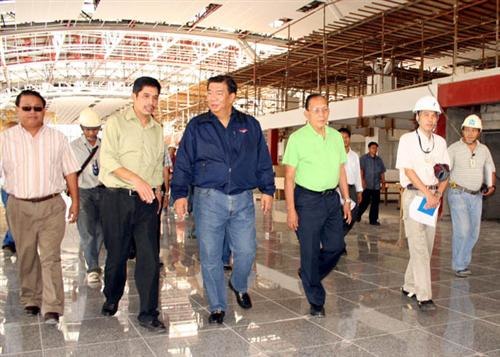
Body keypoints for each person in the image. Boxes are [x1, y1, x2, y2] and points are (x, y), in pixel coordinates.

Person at [171, 74, 275, 325]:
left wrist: (268, 190)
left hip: (241, 198)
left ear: (232, 96)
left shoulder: (249, 125)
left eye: (218, 93)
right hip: (209, 198)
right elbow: (184, 161)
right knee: (210, 255)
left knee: (247, 251)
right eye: (209, 92)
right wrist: (179, 194)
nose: (212, 97)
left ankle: (238, 284)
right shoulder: (198, 125)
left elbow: (262, 159)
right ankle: (217, 305)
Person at [0, 89, 80, 324]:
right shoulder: (6, 139)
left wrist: (75, 201)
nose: (32, 112)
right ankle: (31, 299)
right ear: (17, 111)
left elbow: (70, 171)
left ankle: (53, 307)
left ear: (44, 110)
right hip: (19, 205)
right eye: (27, 108)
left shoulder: (57, 138)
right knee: (26, 254)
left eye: (37, 108)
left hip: (51, 205)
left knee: (50, 257)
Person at [99, 76, 165, 332]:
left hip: (147, 202)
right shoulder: (116, 123)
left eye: (155, 97)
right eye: (146, 96)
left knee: (149, 256)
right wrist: (137, 180)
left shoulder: (157, 129)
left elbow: (157, 163)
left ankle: (148, 312)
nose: (151, 102)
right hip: (116, 198)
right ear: (134, 96)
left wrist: (158, 189)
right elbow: (109, 160)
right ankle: (112, 297)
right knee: (117, 254)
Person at [283, 94, 352, 317]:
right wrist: (291, 210)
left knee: (335, 246)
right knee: (310, 251)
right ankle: (316, 300)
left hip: (331, 199)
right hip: (307, 200)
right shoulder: (297, 138)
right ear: (306, 114)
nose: (322, 114)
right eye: (316, 110)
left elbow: (341, 170)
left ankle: (309, 275)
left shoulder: (335, 137)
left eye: (325, 109)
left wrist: (346, 200)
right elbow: (289, 178)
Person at [396, 95, 450, 311]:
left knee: (425, 247)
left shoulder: (441, 143)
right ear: (417, 117)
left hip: (432, 199)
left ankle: (409, 284)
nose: (430, 119)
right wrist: (427, 192)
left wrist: (437, 195)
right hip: (414, 197)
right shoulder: (407, 140)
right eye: (426, 114)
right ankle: (424, 296)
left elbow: (445, 172)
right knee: (418, 247)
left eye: (434, 115)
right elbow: (408, 170)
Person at [447, 114, 496, 277]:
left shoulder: (484, 150)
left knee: (474, 232)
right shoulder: (453, 148)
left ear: (479, 132)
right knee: (463, 229)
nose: (469, 133)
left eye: (473, 130)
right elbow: (444, 171)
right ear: (462, 130)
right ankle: (459, 265)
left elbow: (490, 168)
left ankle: (463, 262)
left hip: (476, 196)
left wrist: (491, 184)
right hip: (457, 193)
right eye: (467, 130)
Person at [70, 108, 104, 285]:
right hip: (83, 191)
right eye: (88, 129)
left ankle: (94, 260)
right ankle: (92, 267)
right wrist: (73, 198)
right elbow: (69, 173)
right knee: (87, 231)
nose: (92, 133)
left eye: (95, 129)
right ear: (82, 128)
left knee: (101, 230)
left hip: (102, 190)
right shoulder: (73, 147)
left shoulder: (104, 146)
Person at [338, 128, 363, 236]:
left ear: (350, 139)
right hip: (338, 188)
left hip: (351, 188)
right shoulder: (334, 154)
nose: (344, 140)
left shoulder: (354, 156)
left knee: (353, 214)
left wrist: (359, 190)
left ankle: (339, 238)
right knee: (339, 215)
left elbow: (357, 173)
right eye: (341, 138)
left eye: (346, 137)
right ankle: (339, 244)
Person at [357, 141, 386, 225]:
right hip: (367, 185)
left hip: (376, 186)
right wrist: (362, 181)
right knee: (364, 202)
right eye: (373, 148)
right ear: (369, 149)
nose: (375, 149)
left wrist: (383, 184)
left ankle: (373, 220)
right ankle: (357, 215)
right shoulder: (363, 158)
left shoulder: (379, 160)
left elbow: (382, 172)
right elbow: (361, 170)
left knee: (375, 204)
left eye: (376, 148)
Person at [1, 121, 18, 255]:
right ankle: (10, 242)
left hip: (24, 189)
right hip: (8, 189)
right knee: (13, 217)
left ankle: (12, 241)